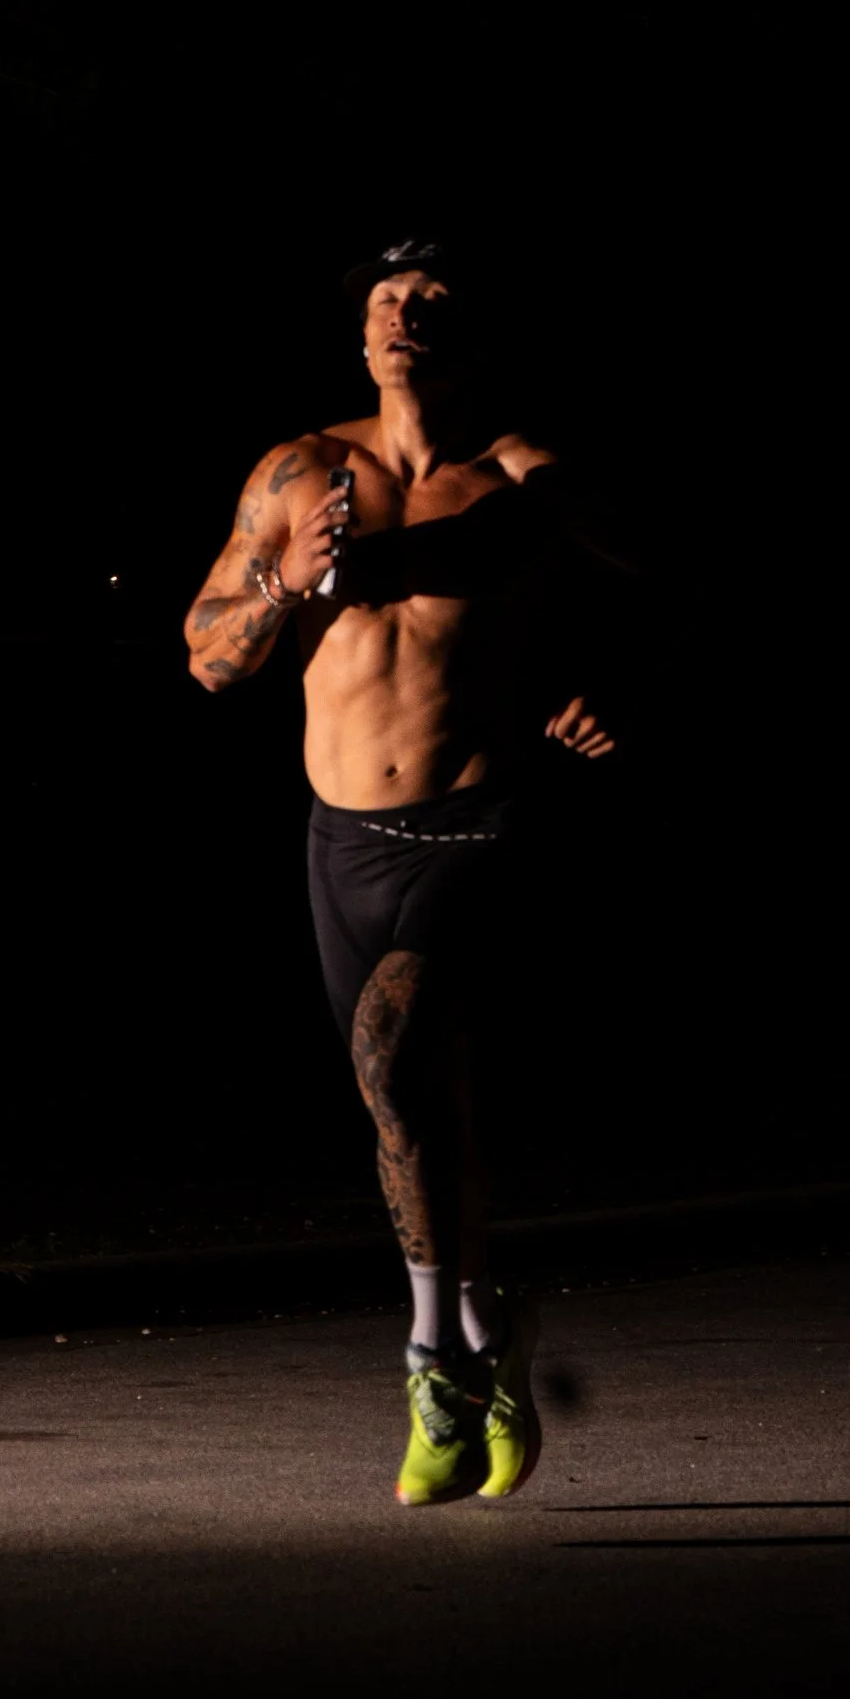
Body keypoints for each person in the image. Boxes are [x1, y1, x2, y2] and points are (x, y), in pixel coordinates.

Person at [183, 237, 631, 1505]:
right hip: (340, 840)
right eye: (383, 302)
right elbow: (209, 660)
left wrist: (617, 690)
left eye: (429, 303)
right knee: (412, 1114)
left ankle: (433, 1352)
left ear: (471, 339)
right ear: (359, 336)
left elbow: (673, 583)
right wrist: (285, 578)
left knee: (393, 1051)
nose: (401, 319)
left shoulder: (522, 477)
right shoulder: (299, 470)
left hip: (479, 823)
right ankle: (489, 1337)